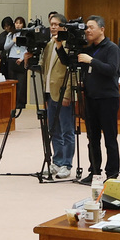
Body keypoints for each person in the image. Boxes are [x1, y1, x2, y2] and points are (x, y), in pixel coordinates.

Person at [72, 15, 120, 181]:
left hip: (108, 98)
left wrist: (91, 60)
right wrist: (59, 46)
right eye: (86, 28)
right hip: (91, 98)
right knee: (92, 138)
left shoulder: (111, 48)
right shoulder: (88, 49)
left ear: (102, 29)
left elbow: (111, 69)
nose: (87, 30)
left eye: (91, 27)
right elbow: (70, 63)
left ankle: (112, 174)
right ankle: (94, 171)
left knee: (109, 138)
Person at [41, 14, 76, 180]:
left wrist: (68, 93)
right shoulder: (49, 44)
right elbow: (44, 67)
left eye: (56, 24)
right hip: (49, 92)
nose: (53, 27)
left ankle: (66, 164)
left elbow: (71, 71)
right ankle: (57, 160)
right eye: (51, 24)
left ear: (63, 27)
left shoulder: (68, 45)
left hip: (63, 93)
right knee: (53, 129)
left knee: (66, 130)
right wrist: (28, 61)